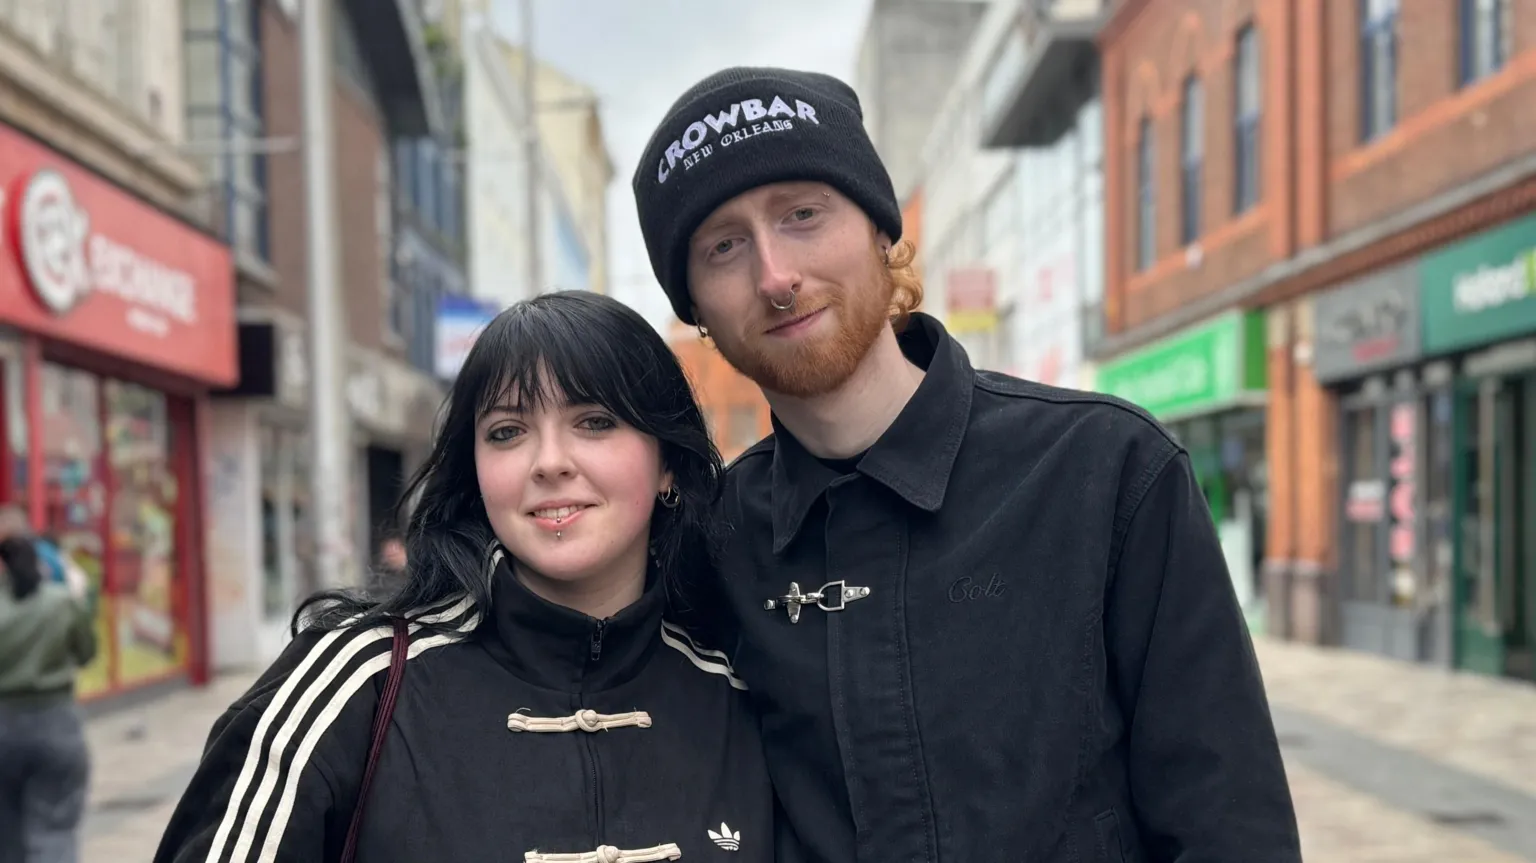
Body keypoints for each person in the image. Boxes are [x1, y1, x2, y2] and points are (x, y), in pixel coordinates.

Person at [633, 67, 1301, 862]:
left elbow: (1230, 829)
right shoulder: (712, 540)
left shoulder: (1108, 472)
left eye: (802, 214)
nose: (775, 276)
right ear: (697, 311)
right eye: (724, 246)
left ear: (881, 231)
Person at [154, 292, 773, 863]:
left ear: (667, 462)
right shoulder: (359, 683)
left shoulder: (735, 693)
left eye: (594, 422)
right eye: (507, 433)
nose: (548, 462)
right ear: (474, 472)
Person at [0, 533, 97, 863]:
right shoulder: (61, 602)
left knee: (6, 833)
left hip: (3, 724)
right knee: (54, 830)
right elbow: (86, 652)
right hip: (56, 720)